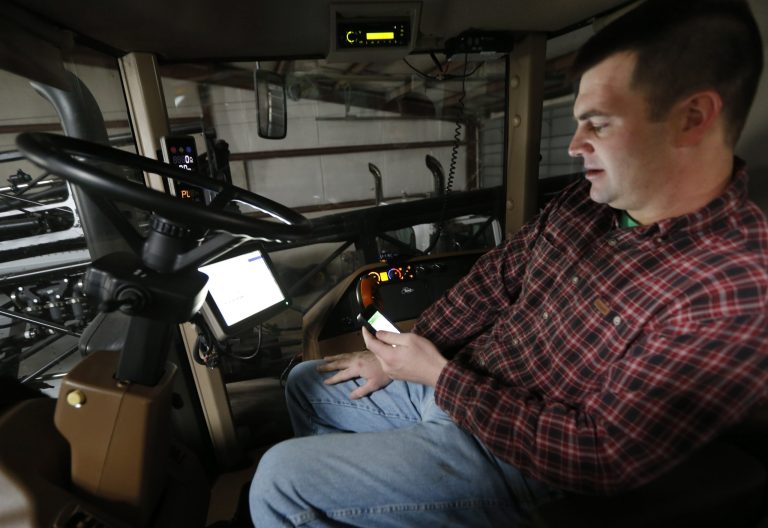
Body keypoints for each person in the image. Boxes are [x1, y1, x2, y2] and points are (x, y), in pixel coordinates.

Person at [250, 0, 768, 525]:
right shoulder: (584, 206)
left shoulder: (733, 286)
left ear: (693, 118)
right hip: (461, 384)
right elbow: (493, 283)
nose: (573, 146)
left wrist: (441, 377)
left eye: (600, 124)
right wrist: (396, 359)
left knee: (282, 480)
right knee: (309, 385)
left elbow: (599, 456)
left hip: (521, 462)